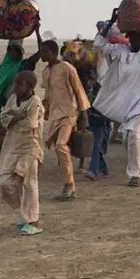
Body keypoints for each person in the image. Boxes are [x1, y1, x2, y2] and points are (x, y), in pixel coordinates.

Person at [93, 10, 140, 186]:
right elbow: (98, 46)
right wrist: (111, 21)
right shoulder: (120, 51)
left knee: (134, 135)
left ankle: (134, 175)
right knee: (128, 139)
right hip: (126, 102)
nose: (135, 40)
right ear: (127, 38)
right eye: (132, 37)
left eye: (138, 37)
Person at [0, 26, 43, 165]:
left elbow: (40, 52)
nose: (12, 52)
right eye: (10, 49)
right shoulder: (4, 65)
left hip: (14, 104)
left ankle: (9, 161)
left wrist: (37, 32)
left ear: (20, 52)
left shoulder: (23, 65)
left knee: (8, 132)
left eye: (15, 50)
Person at [39, 39, 90, 201]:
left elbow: (78, 90)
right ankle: (67, 181)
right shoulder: (46, 72)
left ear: (52, 53)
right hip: (54, 114)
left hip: (69, 112)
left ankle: (69, 186)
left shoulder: (67, 68)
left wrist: (83, 115)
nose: (41, 54)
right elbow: (48, 95)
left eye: (44, 51)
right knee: (59, 148)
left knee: (61, 146)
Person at [0, 71, 44, 236]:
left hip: (30, 147)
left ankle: (33, 221)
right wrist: (18, 116)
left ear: (30, 87)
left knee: (28, 184)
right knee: (5, 184)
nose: (15, 87)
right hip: (12, 146)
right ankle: (24, 213)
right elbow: (3, 118)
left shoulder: (35, 102)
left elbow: (30, 124)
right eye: (15, 84)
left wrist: (14, 117)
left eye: (19, 84)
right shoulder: (12, 100)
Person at [85, 79, 111, 181]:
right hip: (93, 124)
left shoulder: (104, 99)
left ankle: (93, 171)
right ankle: (103, 169)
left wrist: (90, 114)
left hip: (100, 126)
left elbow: (106, 117)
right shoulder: (90, 95)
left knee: (95, 147)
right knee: (96, 148)